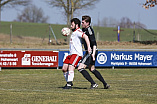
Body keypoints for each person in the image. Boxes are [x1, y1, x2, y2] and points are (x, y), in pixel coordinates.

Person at [77, 15, 110, 89]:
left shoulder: (89, 30)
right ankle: (105, 84)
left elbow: (94, 44)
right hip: (90, 51)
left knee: (80, 68)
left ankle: (93, 83)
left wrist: (93, 54)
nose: (81, 23)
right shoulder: (84, 29)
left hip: (91, 52)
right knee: (92, 69)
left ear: (87, 23)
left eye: (83, 22)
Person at [62, 18, 91, 89]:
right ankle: (69, 82)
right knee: (64, 68)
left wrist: (89, 47)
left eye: (72, 25)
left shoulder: (78, 32)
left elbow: (86, 36)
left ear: (76, 25)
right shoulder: (74, 33)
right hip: (71, 54)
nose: (71, 26)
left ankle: (68, 84)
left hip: (77, 54)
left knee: (71, 67)